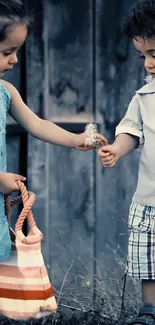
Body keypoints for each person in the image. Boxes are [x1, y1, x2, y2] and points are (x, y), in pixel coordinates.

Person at [0, 0, 107, 262]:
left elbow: (37, 124)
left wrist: (76, 139)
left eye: (17, 52)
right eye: (7, 52)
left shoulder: (5, 92)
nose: (15, 60)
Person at [98, 0, 155, 324]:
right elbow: (131, 131)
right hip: (150, 198)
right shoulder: (144, 98)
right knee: (149, 260)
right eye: (143, 56)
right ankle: (149, 311)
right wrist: (117, 150)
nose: (148, 64)